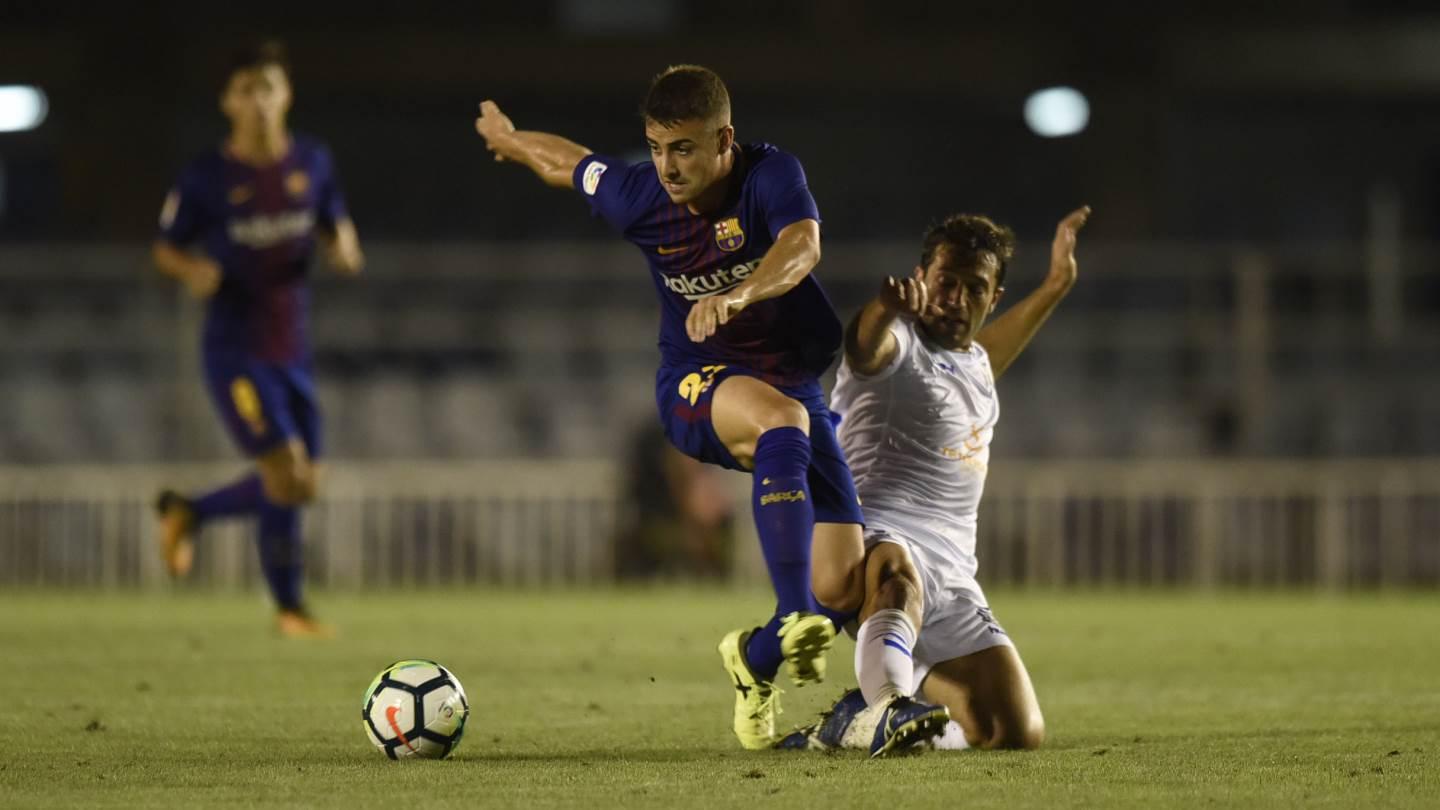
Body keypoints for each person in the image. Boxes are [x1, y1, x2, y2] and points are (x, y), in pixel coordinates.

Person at [473, 65, 911, 750]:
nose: (666, 166)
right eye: (655, 146)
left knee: (839, 589)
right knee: (784, 429)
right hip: (696, 382)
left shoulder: (770, 176)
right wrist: (511, 139)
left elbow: (803, 245)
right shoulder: (639, 196)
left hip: (789, 382)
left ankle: (755, 658)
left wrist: (740, 295)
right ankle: (788, 611)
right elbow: (569, 165)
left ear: (724, 140)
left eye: (682, 148)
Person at [781, 207, 1091, 754]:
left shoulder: (972, 359)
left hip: (954, 570)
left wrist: (1055, 286)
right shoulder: (898, 341)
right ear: (921, 278)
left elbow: (987, 352)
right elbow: (863, 345)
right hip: (876, 538)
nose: (956, 298)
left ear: (993, 298)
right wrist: (884, 307)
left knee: (1011, 734)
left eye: (975, 288)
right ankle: (884, 708)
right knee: (898, 577)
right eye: (946, 282)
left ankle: (857, 720)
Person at [151, 40, 364, 638]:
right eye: (246, 90)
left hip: (289, 345)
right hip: (234, 349)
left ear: (286, 95)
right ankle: (290, 610)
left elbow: (333, 218)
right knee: (285, 470)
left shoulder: (313, 161)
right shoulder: (207, 176)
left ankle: (188, 511)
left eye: (268, 88)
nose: (259, 102)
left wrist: (343, 243)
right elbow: (165, 246)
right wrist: (191, 270)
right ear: (227, 102)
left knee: (304, 484)